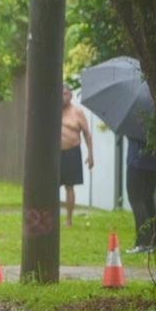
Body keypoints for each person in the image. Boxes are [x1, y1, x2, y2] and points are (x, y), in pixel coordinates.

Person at [60, 84, 95, 227]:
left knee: (69, 186)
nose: (63, 97)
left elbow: (87, 134)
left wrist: (90, 155)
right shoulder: (53, 111)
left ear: (71, 95)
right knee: (51, 186)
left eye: (65, 94)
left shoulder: (77, 112)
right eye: (61, 94)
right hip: (55, 153)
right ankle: (51, 218)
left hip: (72, 152)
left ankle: (69, 219)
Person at [124, 134, 156, 253]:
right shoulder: (154, 124)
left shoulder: (134, 123)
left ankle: (143, 242)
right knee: (148, 199)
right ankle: (155, 241)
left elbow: (130, 133)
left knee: (136, 199)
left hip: (136, 161)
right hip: (153, 163)